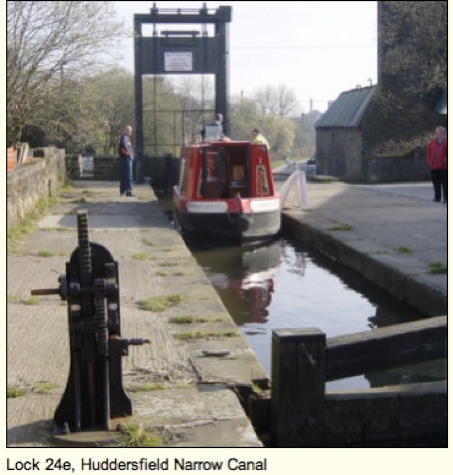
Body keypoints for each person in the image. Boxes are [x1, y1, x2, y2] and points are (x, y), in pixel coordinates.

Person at [426, 125, 447, 203]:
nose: (436, 134)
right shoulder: (433, 143)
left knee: (445, 184)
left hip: (444, 168)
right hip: (434, 167)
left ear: (442, 133)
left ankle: (446, 198)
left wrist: (445, 161)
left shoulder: (446, 142)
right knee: (436, 183)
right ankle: (437, 197)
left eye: (438, 132)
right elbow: (428, 153)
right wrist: (429, 161)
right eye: (436, 132)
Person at [118, 125, 134, 197]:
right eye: (129, 131)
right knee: (128, 175)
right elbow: (123, 146)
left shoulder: (124, 137)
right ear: (126, 130)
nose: (130, 132)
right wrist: (128, 154)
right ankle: (128, 191)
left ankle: (123, 191)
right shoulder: (124, 137)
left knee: (124, 175)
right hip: (126, 159)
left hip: (125, 159)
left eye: (131, 131)